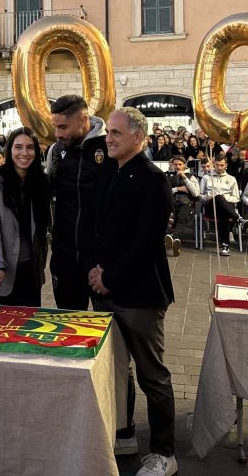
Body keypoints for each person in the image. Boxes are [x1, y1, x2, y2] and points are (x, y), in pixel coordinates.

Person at [86, 107, 177, 476]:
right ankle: (124, 433)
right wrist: (94, 271)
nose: (108, 138)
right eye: (108, 131)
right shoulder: (109, 170)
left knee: (151, 374)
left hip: (139, 295)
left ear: (138, 138)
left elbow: (146, 241)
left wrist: (109, 277)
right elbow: (98, 225)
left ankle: (164, 453)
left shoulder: (153, 180)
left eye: (116, 133)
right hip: (104, 289)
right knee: (115, 371)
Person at [45, 94, 107, 310]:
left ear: (83, 120)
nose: (58, 134)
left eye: (63, 127)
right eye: (55, 127)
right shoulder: (56, 151)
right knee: (67, 325)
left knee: (109, 330)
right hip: (65, 258)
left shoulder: (109, 148)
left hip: (101, 261)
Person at [0, 127, 50, 306]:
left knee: (27, 329)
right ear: (10, 150)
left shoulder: (41, 183)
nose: (24, 153)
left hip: (30, 274)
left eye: (30, 147)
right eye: (18, 147)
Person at [200, 153, 240, 257]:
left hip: (226, 208)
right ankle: (238, 218)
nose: (219, 167)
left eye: (222, 165)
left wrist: (223, 198)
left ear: (226, 165)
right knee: (218, 198)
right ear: (213, 164)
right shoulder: (206, 178)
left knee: (223, 208)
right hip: (210, 207)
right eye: (217, 165)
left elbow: (236, 198)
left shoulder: (231, 179)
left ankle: (225, 246)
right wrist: (207, 197)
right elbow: (200, 196)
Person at [164, 155, 199, 257]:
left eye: (180, 164)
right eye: (175, 164)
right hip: (170, 202)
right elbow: (162, 191)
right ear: (172, 164)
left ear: (184, 165)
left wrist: (184, 177)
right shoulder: (167, 176)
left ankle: (171, 236)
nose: (178, 166)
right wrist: (177, 189)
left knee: (181, 218)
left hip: (185, 202)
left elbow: (196, 193)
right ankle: (175, 241)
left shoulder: (190, 176)